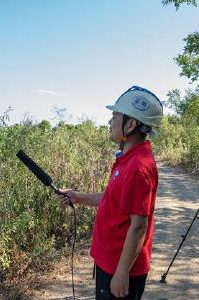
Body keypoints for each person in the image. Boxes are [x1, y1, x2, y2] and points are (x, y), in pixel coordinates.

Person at [58, 86, 163, 299]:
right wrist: (76, 196)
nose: (110, 122)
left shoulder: (138, 167)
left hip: (120, 267)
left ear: (131, 124)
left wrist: (122, 272)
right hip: (110, 262)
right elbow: (112, 200)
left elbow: (138, 225)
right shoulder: (127, 159)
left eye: (115, 116)